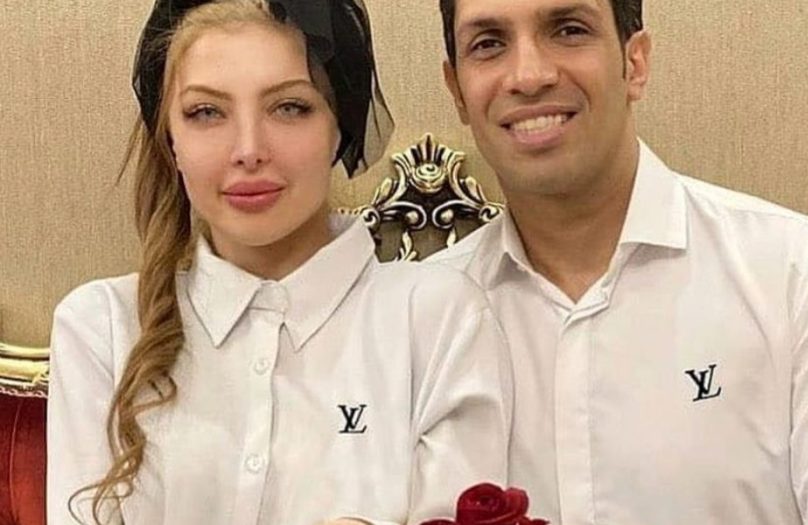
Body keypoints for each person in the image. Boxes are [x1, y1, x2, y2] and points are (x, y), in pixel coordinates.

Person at [431, 0, 808, 523]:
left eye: (568, 30)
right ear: (457, 91)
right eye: (489, 44)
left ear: (635, 63)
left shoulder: (801, 275)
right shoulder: (418, 322)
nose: (529, 75)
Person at [46, 1, 511, 524]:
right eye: (206, 112)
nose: (248, 150)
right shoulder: (101, 328)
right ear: (171, 140)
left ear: (339, 127)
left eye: (289, 107)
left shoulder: (439, 318)